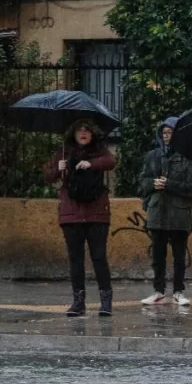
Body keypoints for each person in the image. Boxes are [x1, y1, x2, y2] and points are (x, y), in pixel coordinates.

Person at [44, 118, 117, 316]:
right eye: (79, 130)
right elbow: (48, 175)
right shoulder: (64, 151)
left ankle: (106, 301)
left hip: (96, 213)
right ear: (73, 133)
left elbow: (111, 161)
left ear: (92, 133)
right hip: (72, 213)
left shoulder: (99, 150)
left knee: (99, 257)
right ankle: (78, 302)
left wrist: (91, 163)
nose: (83, 133)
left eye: (87, 130)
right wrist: (58, 168)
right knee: (75, 259)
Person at [139, 117, 192, 306]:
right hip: (157, 212)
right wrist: (152, 184)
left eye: (170, 132)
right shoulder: (152, 156)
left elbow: (191, 187)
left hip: (179, 214)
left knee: (179, 256)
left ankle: (179, 291)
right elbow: (142, 183)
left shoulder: (187, 157)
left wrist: (169, 184)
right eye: (163, 133)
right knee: (158, 255)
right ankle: (158, 290)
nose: (166, 136)